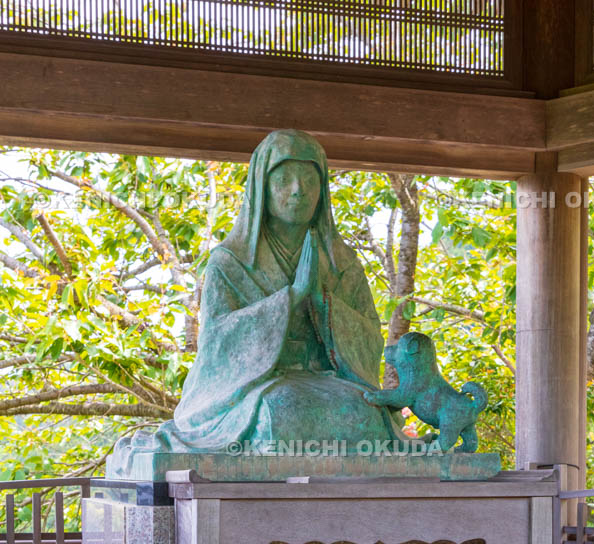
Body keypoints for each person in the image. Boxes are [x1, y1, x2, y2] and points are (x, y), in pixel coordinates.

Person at [110, 129, 405, 471]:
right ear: (261, 187)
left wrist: (324, 303)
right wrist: (290, 298)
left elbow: (371, 338)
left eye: (310, 178)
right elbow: (216, 345)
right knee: (279, 411)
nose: (298, 189)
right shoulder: (229, 261)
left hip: (325, 381)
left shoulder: (341, 263)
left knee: (365, 414)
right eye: (284, 178)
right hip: (255, 388)